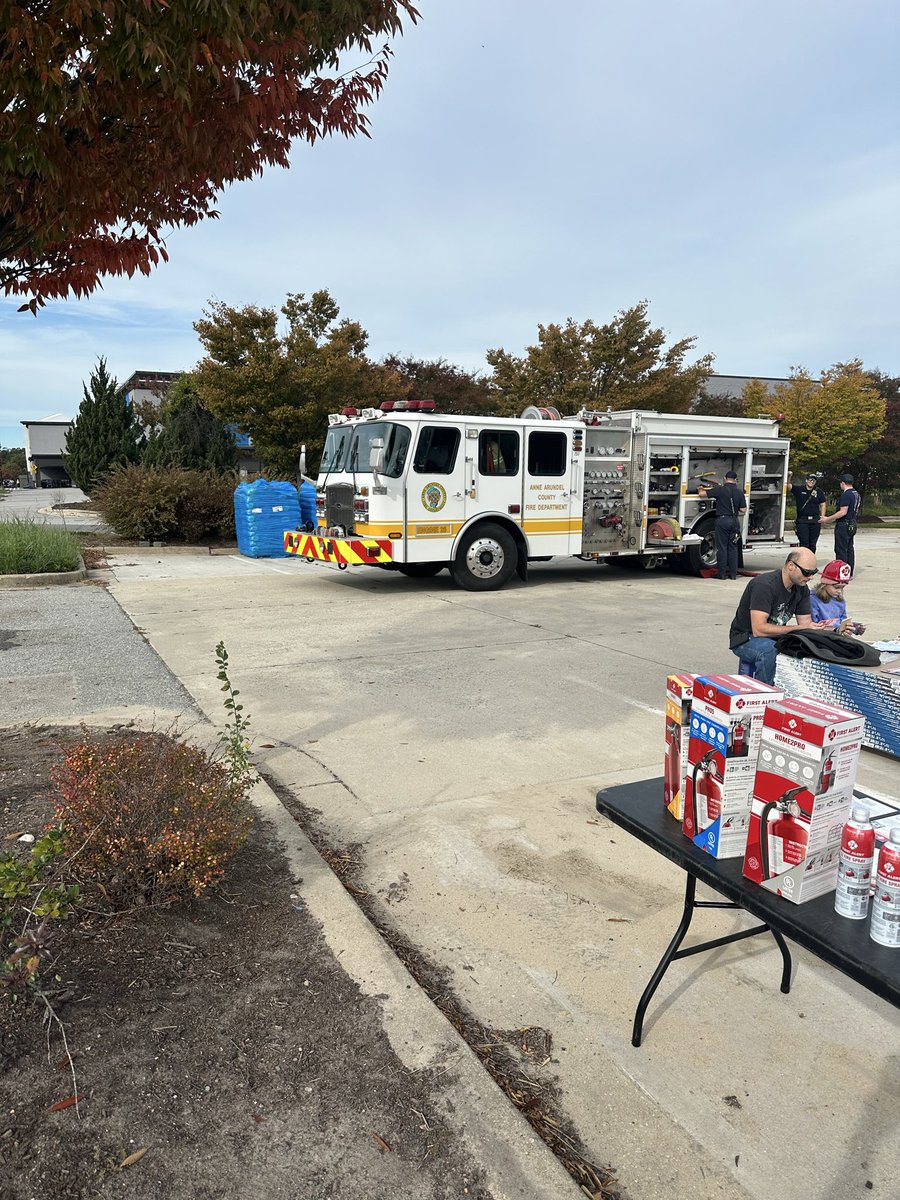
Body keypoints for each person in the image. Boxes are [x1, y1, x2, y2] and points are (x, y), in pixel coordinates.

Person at [729, 548, 820, 684]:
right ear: (791, 566)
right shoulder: (764, 585)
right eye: (807, 572)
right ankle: (764, 696)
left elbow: (805, 625)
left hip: (773, 637)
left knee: (808, 648)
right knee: (769, 651)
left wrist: (831, 631)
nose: (811, 577)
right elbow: (758, 630)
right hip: (745, 638)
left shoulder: (802, 589)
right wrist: (796, 628)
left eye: (814, 573)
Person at [698, 469, 747, 580]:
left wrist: (700, 488)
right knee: (733, 548)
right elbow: (743, 510)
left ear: (725, 478)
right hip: (734, 522)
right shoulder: (740, 492)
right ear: (735, 480)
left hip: (722, 521)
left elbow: (702, 494)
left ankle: (722, 573)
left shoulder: (720, 490)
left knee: (722, 547)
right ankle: (733, 574)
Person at [809, 559, 866, 636]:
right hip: (821, 638)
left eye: (842, 588)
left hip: (838, 636)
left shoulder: (839, 600)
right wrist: (835, 630)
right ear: (825, 584)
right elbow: (812, 627)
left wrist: (855, 628)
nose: (839, 591)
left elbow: (843, 622)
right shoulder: (813, 600)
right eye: (836, 587)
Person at [821, 473, 861, 574]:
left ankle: (841, 572)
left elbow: (843, 512)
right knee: (849, 548)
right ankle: (849, 572)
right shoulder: (856, 494)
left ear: (843, 483)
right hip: (852, 523)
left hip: (844, 524)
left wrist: (827, 519)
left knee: (841, 549)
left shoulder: (846, 494)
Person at [788, 470, 826, 552]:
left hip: (815, 521)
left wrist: (822, 517)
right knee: (804, 544)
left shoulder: (818, 492)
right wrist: (789, 476)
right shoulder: (799, 489)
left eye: (813, 480)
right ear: (806, 480)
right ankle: (804, 562)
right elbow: (788, 486)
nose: (811, 481)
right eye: (810, 479)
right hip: (802, 521)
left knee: (812, 544)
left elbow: (823, 504)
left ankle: (811, 561)